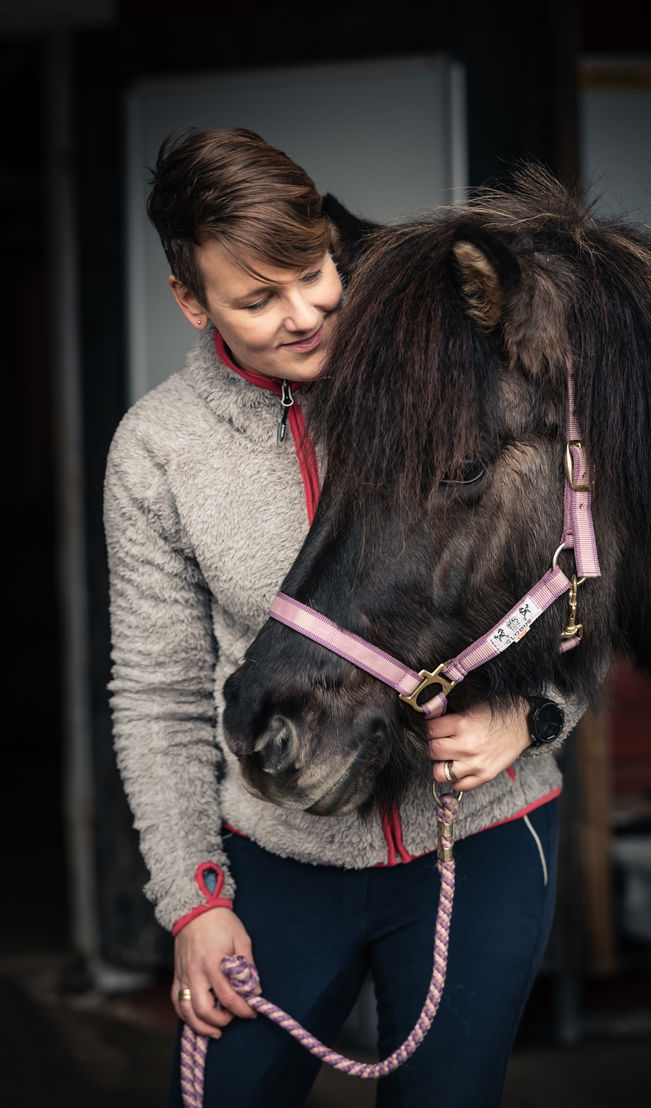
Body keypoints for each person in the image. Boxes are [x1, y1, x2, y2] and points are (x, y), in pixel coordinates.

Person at [104, 126, 586, 1107]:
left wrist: (531, 719)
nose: (302, 315)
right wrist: (192, 901)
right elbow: (155, 698)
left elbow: (583, 573)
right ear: (189, 302)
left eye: (312, 272)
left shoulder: (443, 366)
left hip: (481, 839)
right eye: (255, 298)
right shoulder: (156, 452)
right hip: (277, 857)